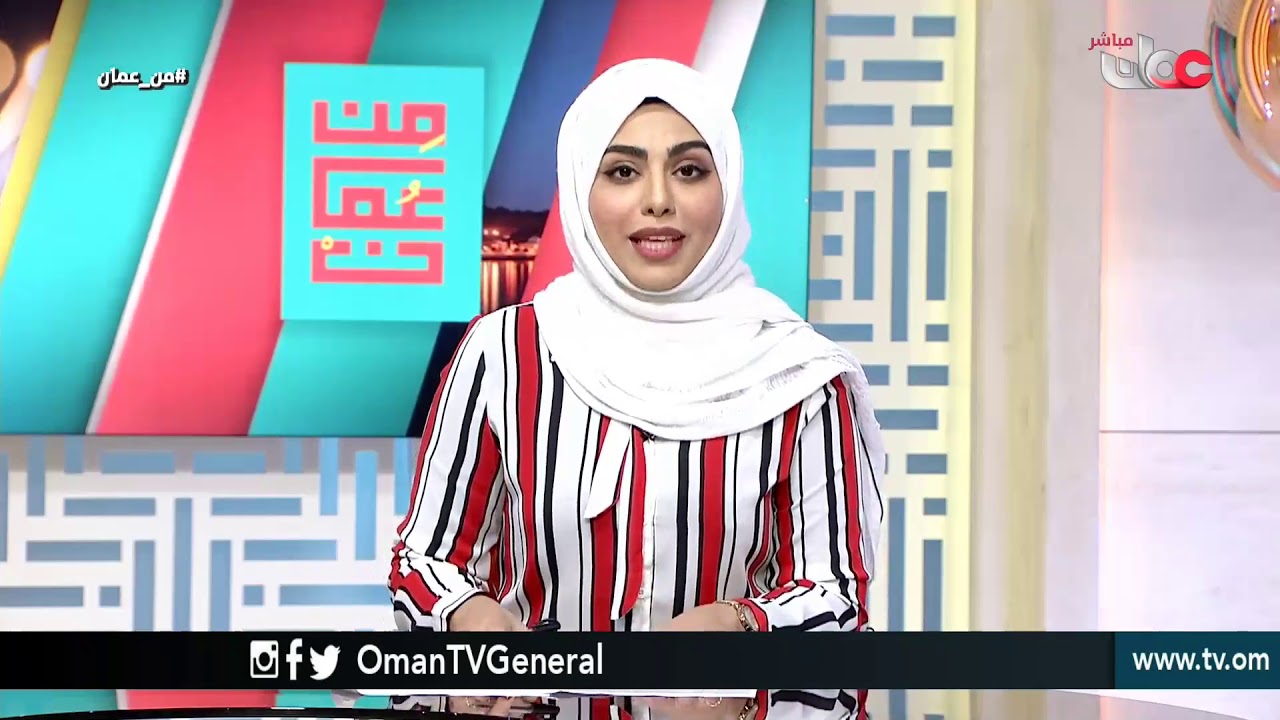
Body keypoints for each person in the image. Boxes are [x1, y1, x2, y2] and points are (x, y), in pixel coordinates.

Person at [387, 58, 885, 720]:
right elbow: (425, 557)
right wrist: (469, 619)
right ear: (580, 188)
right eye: (623, 171)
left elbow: (836, 600)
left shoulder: (800, 377)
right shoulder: (502, 353)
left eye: (689, 170)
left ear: (728, 186)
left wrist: (742, 633)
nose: (657, 200)